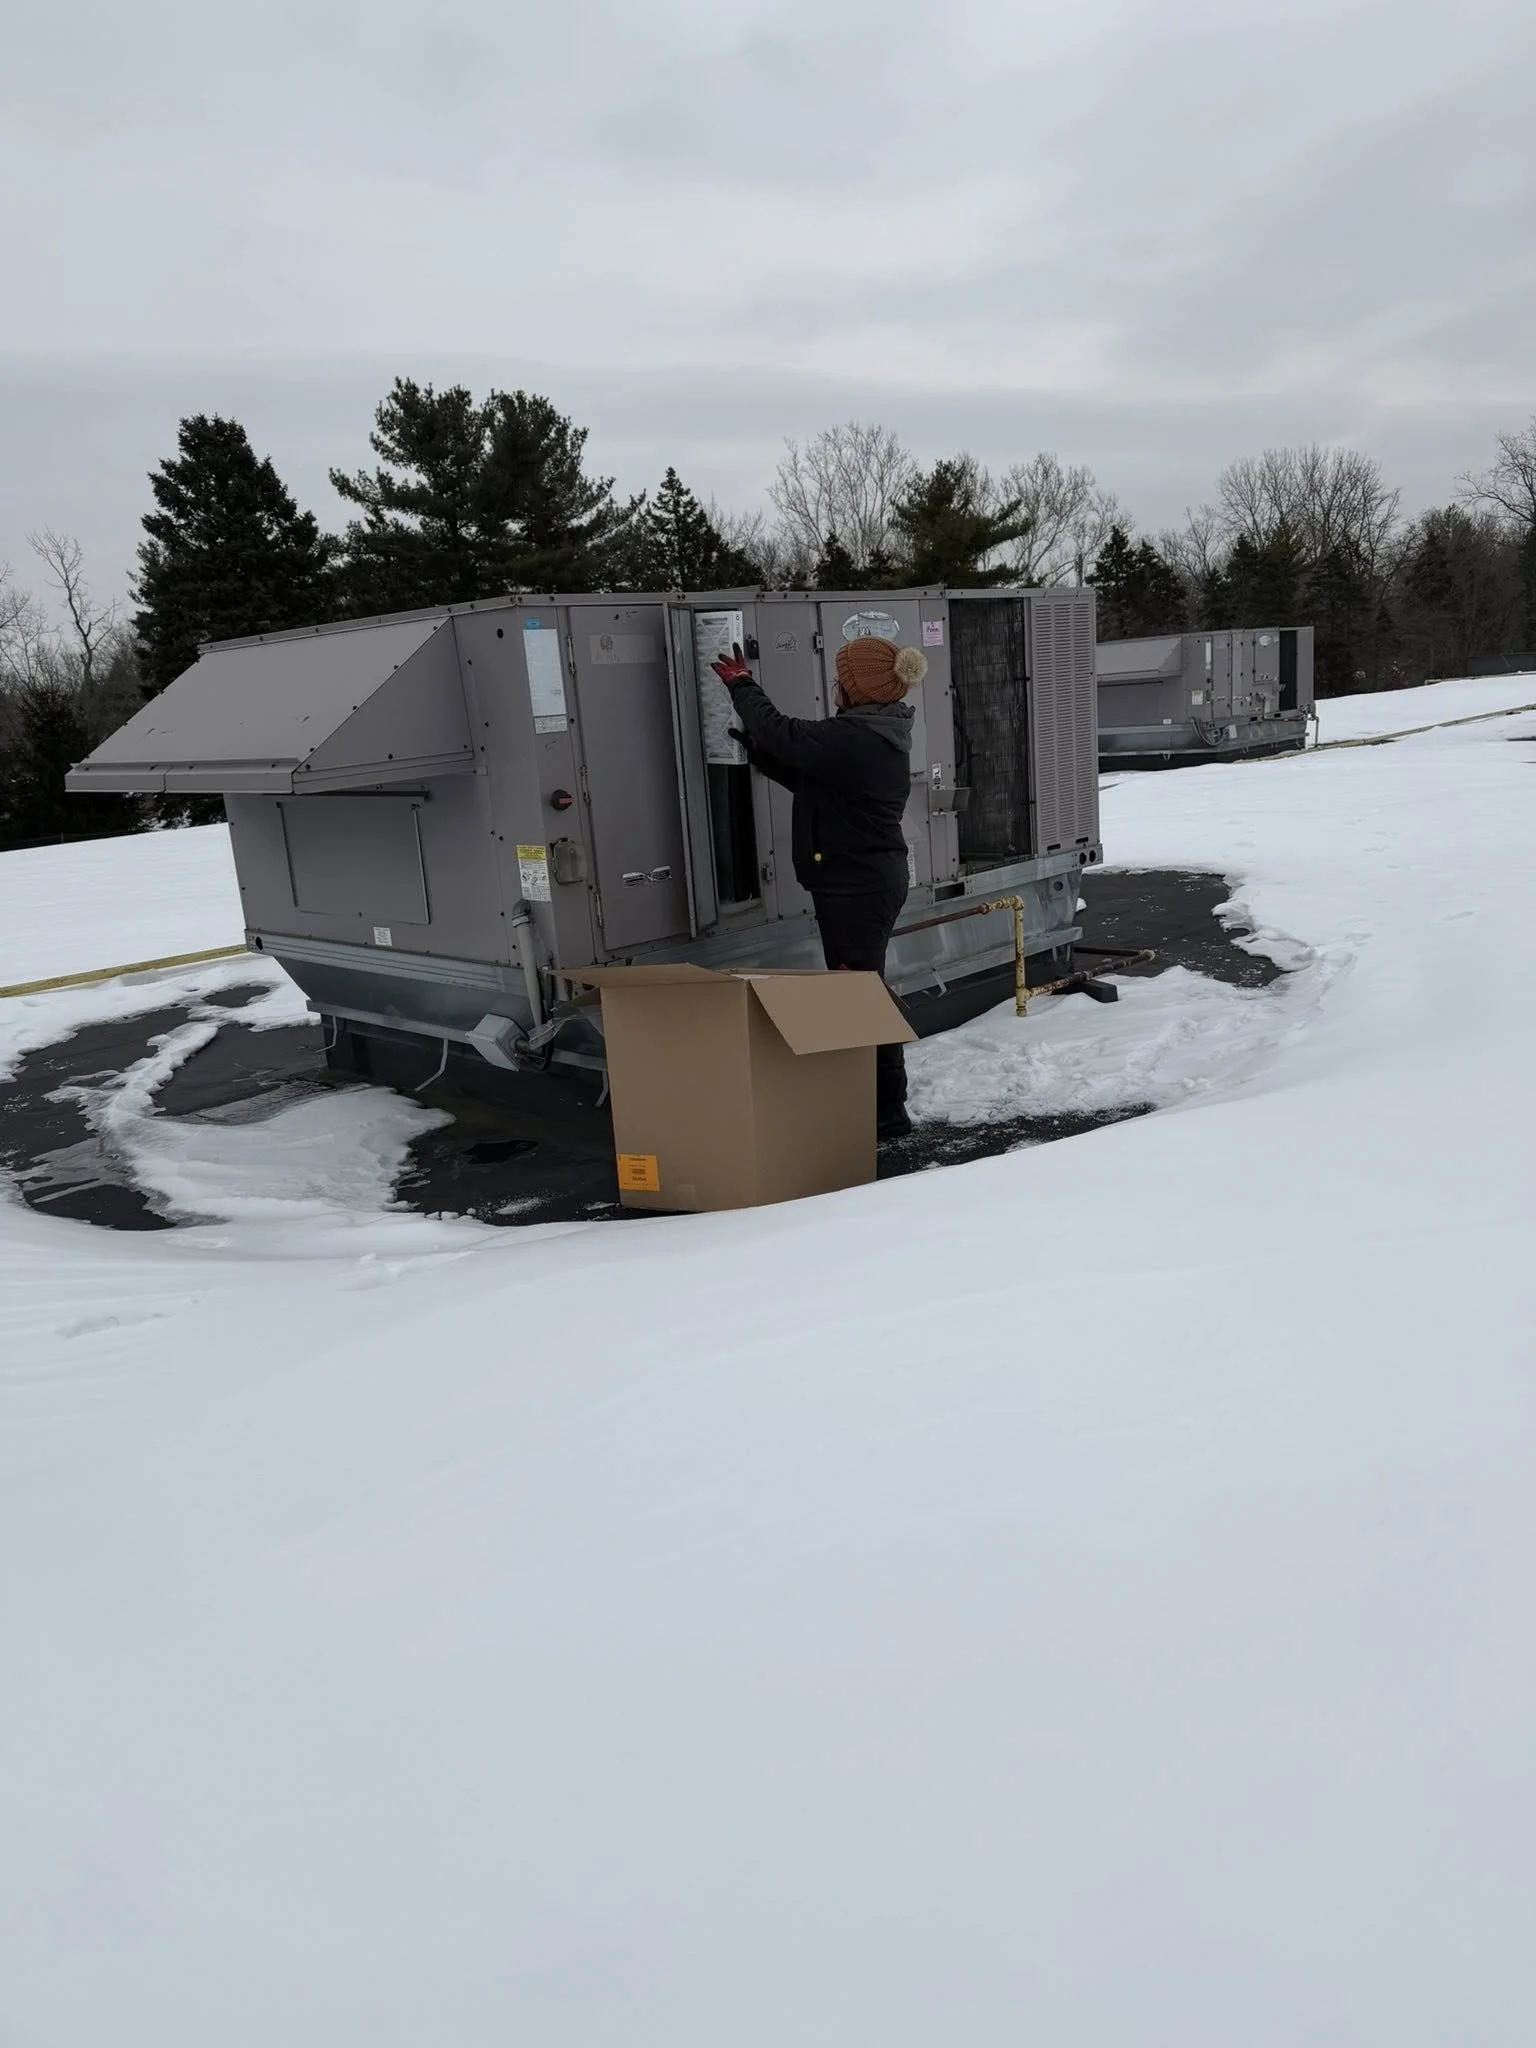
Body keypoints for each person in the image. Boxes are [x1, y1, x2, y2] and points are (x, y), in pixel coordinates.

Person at [709, 634, 927, 1140]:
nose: (834, 687)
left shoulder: (858, 736)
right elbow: (811, 777)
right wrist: (761, 754)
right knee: (860, 991)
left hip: (858, 888)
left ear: (856, 688)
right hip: (857, 883)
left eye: (840, 679)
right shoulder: (868, 735)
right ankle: (875, 1106)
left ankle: (886, 1114)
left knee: (859, 995)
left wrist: (743, 687)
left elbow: (786, 733)